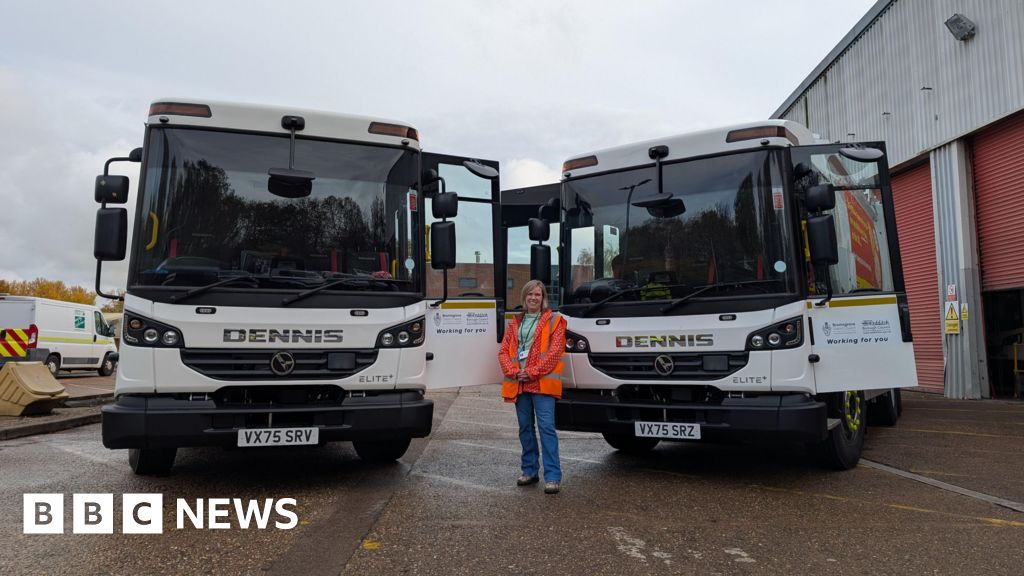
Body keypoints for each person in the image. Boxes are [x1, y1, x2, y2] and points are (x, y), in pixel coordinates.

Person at [498, 279, 567, 494]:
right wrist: (513, 371)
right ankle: (529, 471)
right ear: (524, 297)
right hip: (519, 383)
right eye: (530, 294)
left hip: (542, 383)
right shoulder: (515, 322)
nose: (533, 298)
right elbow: (503, 352)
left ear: (543, 298)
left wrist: (532, 372)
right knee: (525, 429)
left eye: (537, 294)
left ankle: (553, 477)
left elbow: (555, 353)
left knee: (546, 429)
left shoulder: (555, 320)